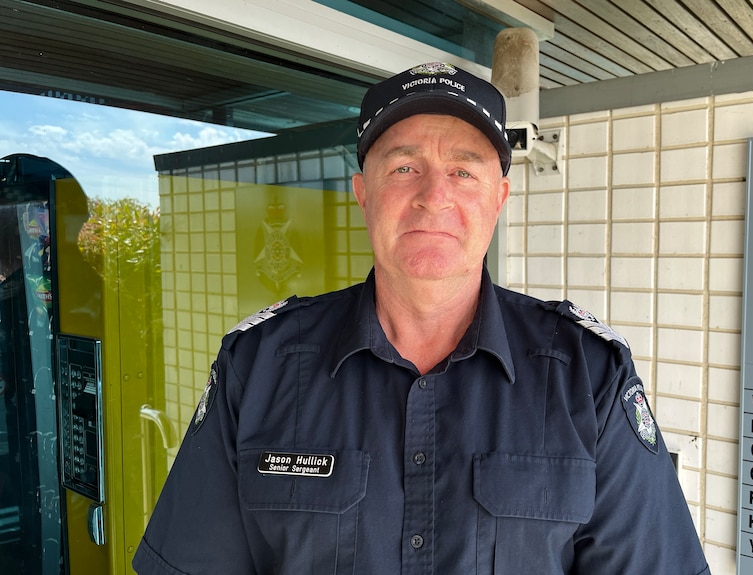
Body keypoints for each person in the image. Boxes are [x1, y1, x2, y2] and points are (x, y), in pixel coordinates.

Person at [133, 62, 711, 574]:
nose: (435, 196)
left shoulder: (589, 378)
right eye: (404, 167)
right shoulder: (256, 366)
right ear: (363, 192)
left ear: (500, 197)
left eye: (464, 171)